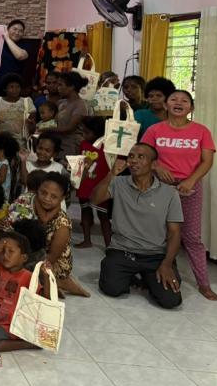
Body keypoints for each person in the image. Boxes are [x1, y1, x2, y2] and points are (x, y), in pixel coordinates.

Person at [142, 90, 217, 300]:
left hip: (189, 187)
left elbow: (207, 161)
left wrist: (191, 180)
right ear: (166, 105)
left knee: (192, 236)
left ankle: (204, 284)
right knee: (156, 232)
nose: (178, 103)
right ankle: (154, 273)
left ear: (191, 108)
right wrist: (157, 167)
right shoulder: (154, 130)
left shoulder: (201, 131)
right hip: (158, 187)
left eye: (184, 100)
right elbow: (143, 155)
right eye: (174, 99)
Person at [93, 144, 183, 309]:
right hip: (122, 251)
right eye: (131, 156)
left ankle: (148, 277)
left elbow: (175, 233)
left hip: (155, 254)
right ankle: (133, 276)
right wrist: (111, 174)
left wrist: (167, 264)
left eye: (141, 157)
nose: (133, 161)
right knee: (112, 289)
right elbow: (95, 199)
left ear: (153, 164)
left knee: (171, 300)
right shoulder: (118, 182)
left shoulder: (170, 193)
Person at [0, 231, 52, 352]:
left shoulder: (28, 277)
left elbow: (46, 301)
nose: (5, 255)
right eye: (2, 251)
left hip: (11, 324)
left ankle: (28, 343)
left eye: (11, 251)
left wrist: (46, 277)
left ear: (24, 258)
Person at [75, 118, 112, 248]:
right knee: (85, 212)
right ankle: (87, 240)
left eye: (87, 132)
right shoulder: (84, 144)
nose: (84, 135)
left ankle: (109, 245)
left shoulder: (106, 146)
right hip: (84, 184)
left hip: (100, 186)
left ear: (97, 133)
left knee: (103, 216)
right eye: (83, 131)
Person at [53, 71, 91, 156]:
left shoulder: (80, 105)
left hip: (72, 146)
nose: (58, 88)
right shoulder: (61, 103)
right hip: (58, 144)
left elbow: (69, 128)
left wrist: (47, 129)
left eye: (60, 85)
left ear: (71, 87)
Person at [0, 73, 34, 141]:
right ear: (5, 89)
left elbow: (33, 127)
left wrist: (31, 125)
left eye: (18, 87)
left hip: (20, 143)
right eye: (11, 87)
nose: (15, 90)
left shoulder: (27, 102)